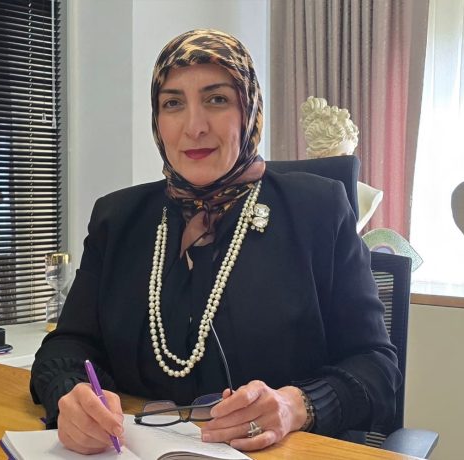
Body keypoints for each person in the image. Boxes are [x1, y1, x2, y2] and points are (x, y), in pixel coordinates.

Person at [30, 29, 401, 455]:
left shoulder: (319, 210)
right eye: (173, 104)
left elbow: (378, 369)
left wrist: (296, 406)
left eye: (217, 99)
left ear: (249, 109)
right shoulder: (118, 219)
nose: (194, 127)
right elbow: (66, 346)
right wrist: (71, 395)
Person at [299, 96, 384, 232]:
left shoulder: (367, 196)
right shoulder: (299, 192)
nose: (349, 163)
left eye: (351, 154)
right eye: (342, 157)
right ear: (318, 158)